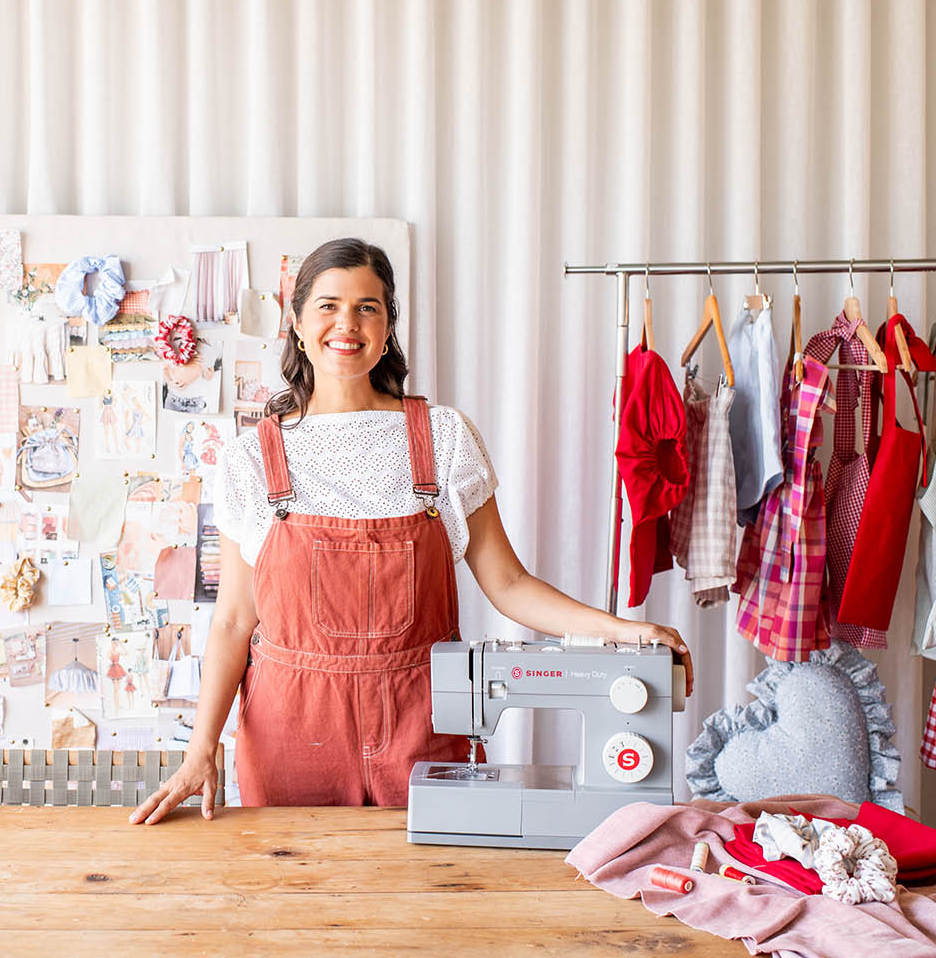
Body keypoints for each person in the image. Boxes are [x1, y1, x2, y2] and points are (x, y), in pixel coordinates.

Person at [131, 238, 694, 824]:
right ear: (296, 322)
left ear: (387, 324)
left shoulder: (444, 438)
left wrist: (622, 631)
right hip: (290, 737)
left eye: (367, 307)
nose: (346, 324)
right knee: (293, 903)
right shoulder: (252, 458)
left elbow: (509, 583)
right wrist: (200, 749)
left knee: (432, 901)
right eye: (327, 306)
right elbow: (233, 621)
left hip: (421, 726)